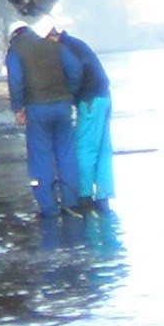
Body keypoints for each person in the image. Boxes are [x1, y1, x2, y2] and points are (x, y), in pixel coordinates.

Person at [4, 22, 82, 219]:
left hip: (36, 108)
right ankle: (71, 203)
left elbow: (15, 80)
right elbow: (76, 70)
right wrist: (69, 93)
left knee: (40, 158)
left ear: (12, 36)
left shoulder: (15, 51)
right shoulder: (55, 46)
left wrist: (18, 108)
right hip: (62, 106)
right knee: (66, 154)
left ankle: (49, 208)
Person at [57, 25, 115, 209]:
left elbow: (76, 72)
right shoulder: (75, 43)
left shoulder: (65, 48)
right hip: (103, 97)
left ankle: (85, 196)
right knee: (103, 148)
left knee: (84, 148)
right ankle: (104, 195)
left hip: (89, 100)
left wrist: (70, 95)